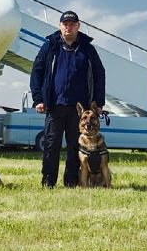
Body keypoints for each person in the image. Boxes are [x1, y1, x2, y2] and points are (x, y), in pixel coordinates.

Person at [29, 10, 106, 188]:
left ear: (78, 26)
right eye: (65, 24)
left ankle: (71, 182)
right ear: (60, 26)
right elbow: (37, 71)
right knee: (50, 146)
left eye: (72, 24)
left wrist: (98, 103)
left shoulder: (88, 49)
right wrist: (38, 99)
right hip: (54, 106)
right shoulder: (50, 46)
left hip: (79, 110)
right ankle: (48, 181)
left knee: (74, 147)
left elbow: (99, 74)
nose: (68, 27)